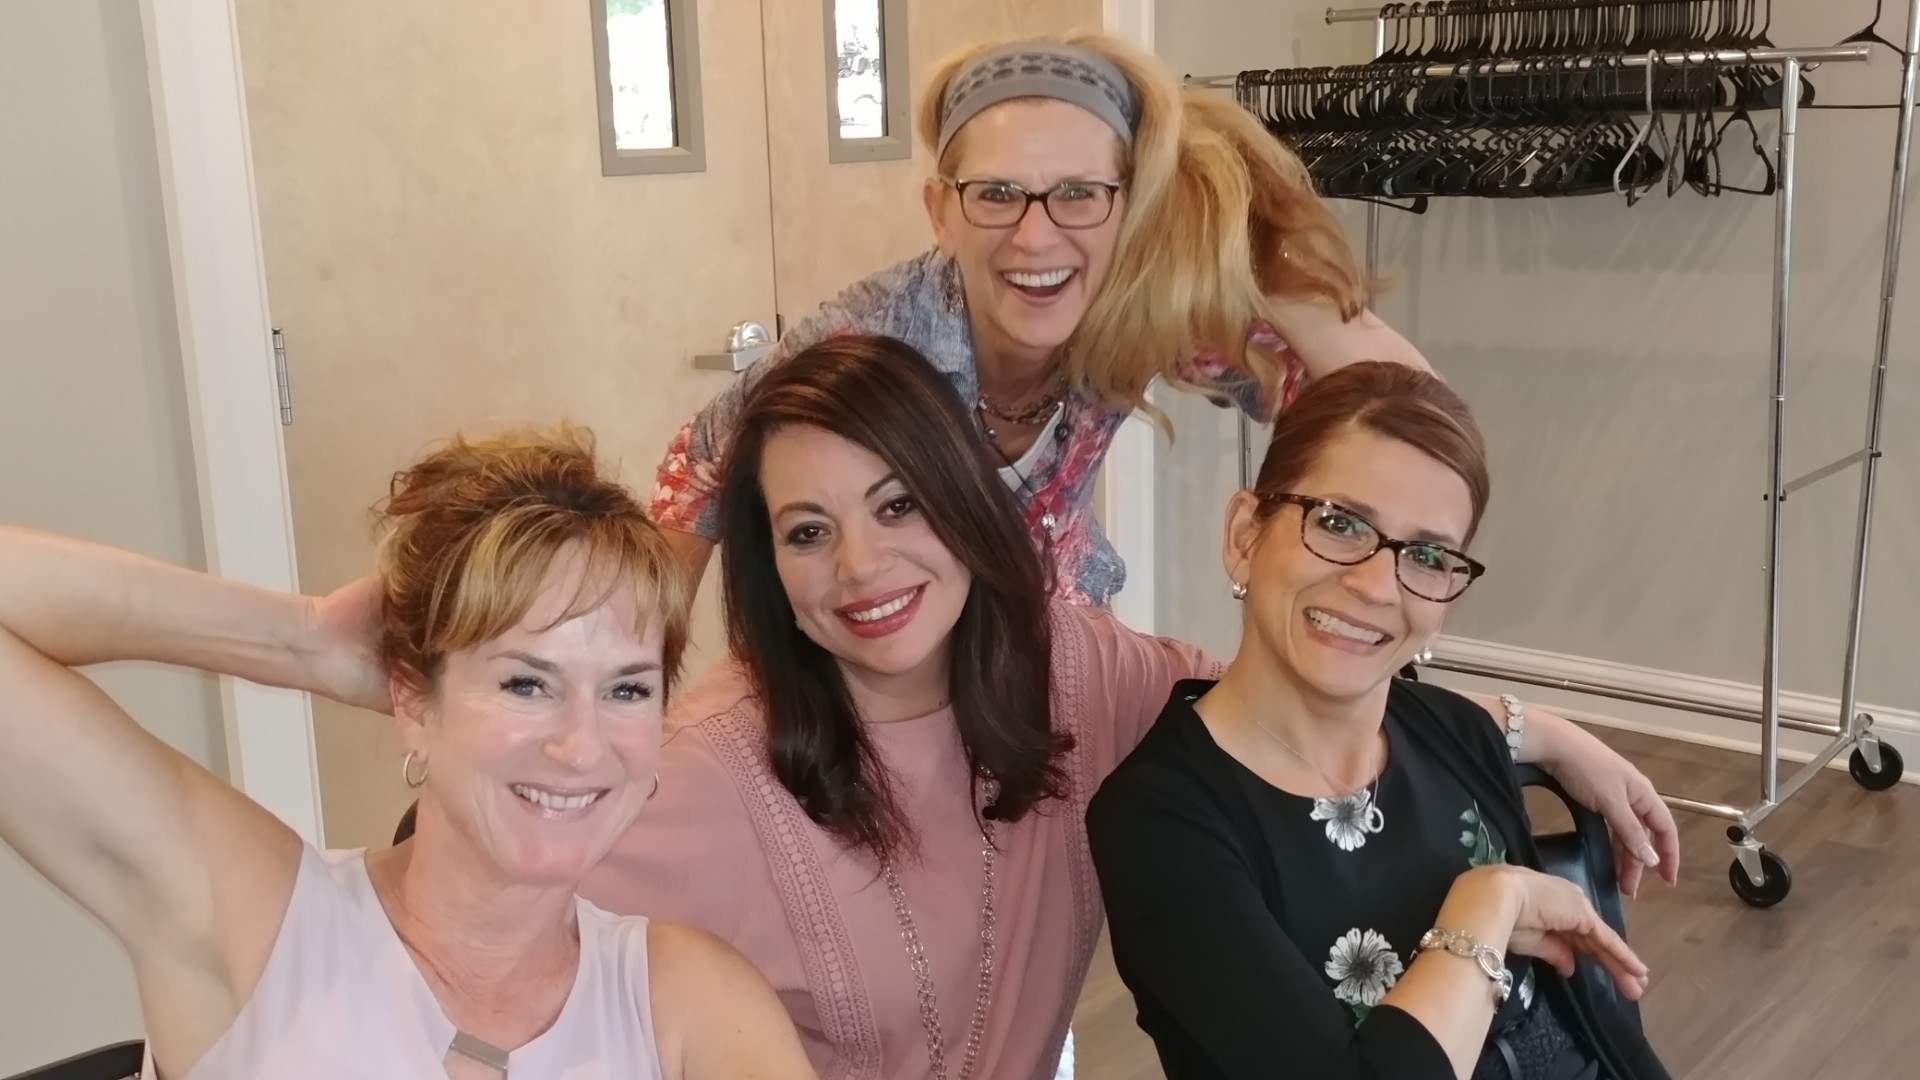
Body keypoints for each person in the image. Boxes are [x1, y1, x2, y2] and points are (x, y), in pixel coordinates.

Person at [578, 336, 1674, 1080]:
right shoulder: (706, 771)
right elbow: (511, 919)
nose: (862, 567)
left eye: (900, 505)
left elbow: (1300, 680)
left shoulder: (1071, 670)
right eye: (808, 531)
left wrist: (1535, 732)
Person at [0, 426, 815, 1080]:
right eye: (527, 683)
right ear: (414, 702)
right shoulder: (258, 925)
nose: (581, 746)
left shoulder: (686, 1000)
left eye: (628, 690)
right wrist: (302, 639)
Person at [651, 29, 1423, 612]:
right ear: (941, 214)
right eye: (996, 194)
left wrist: (1267, 267)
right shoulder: (870, 341)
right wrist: (649, 686)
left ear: (1128, 208)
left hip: (1065, 663)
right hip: (895, 682)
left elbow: (1409, 426)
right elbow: (702, 462)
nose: (1035, 238)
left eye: (1079, 193)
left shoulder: (1130, 310)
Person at [1086, 363, 1672, 1080]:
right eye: (1338, 522)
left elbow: (1599, 1028)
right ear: (1244, 535)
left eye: (1426, 556)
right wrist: (1490, 901)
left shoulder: (1453, 732)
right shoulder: (1160, 822)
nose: (1374, 585)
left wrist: (1560, 739)